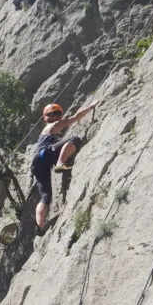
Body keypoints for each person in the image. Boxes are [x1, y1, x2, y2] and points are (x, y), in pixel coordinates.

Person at [31, 100, 100, 234]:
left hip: (37, 163)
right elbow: (76, 118)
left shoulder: (45, 133)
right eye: (52, 114)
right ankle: (60, 164)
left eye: (58, 114)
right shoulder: (54, 125)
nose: (56, 116)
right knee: (74, 139)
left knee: (45, 196)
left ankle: (39, 226)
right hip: (45, 154)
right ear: (46, 118)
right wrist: (91, 107)